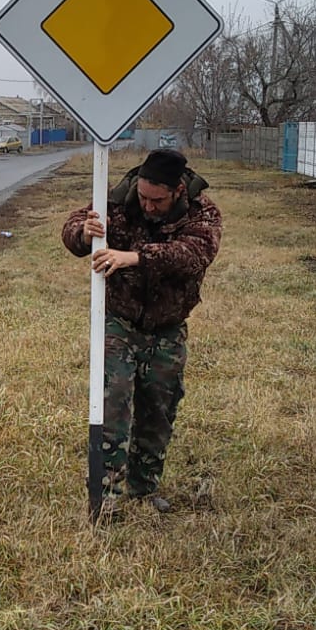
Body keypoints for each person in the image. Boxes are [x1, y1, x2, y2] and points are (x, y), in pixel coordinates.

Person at [62, 149, 222, 512]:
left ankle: (143, 488)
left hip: (167, 326)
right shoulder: (116, 200)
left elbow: (194, 254)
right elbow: (72, 229)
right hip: (118, 320)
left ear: (178, 191)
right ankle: (106, 495)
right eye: (144, 197)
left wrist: (134, 257)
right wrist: (83, 233)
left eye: (157, 201)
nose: (148, 206)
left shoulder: (202, 212)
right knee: (112, 402)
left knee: (159, 409)